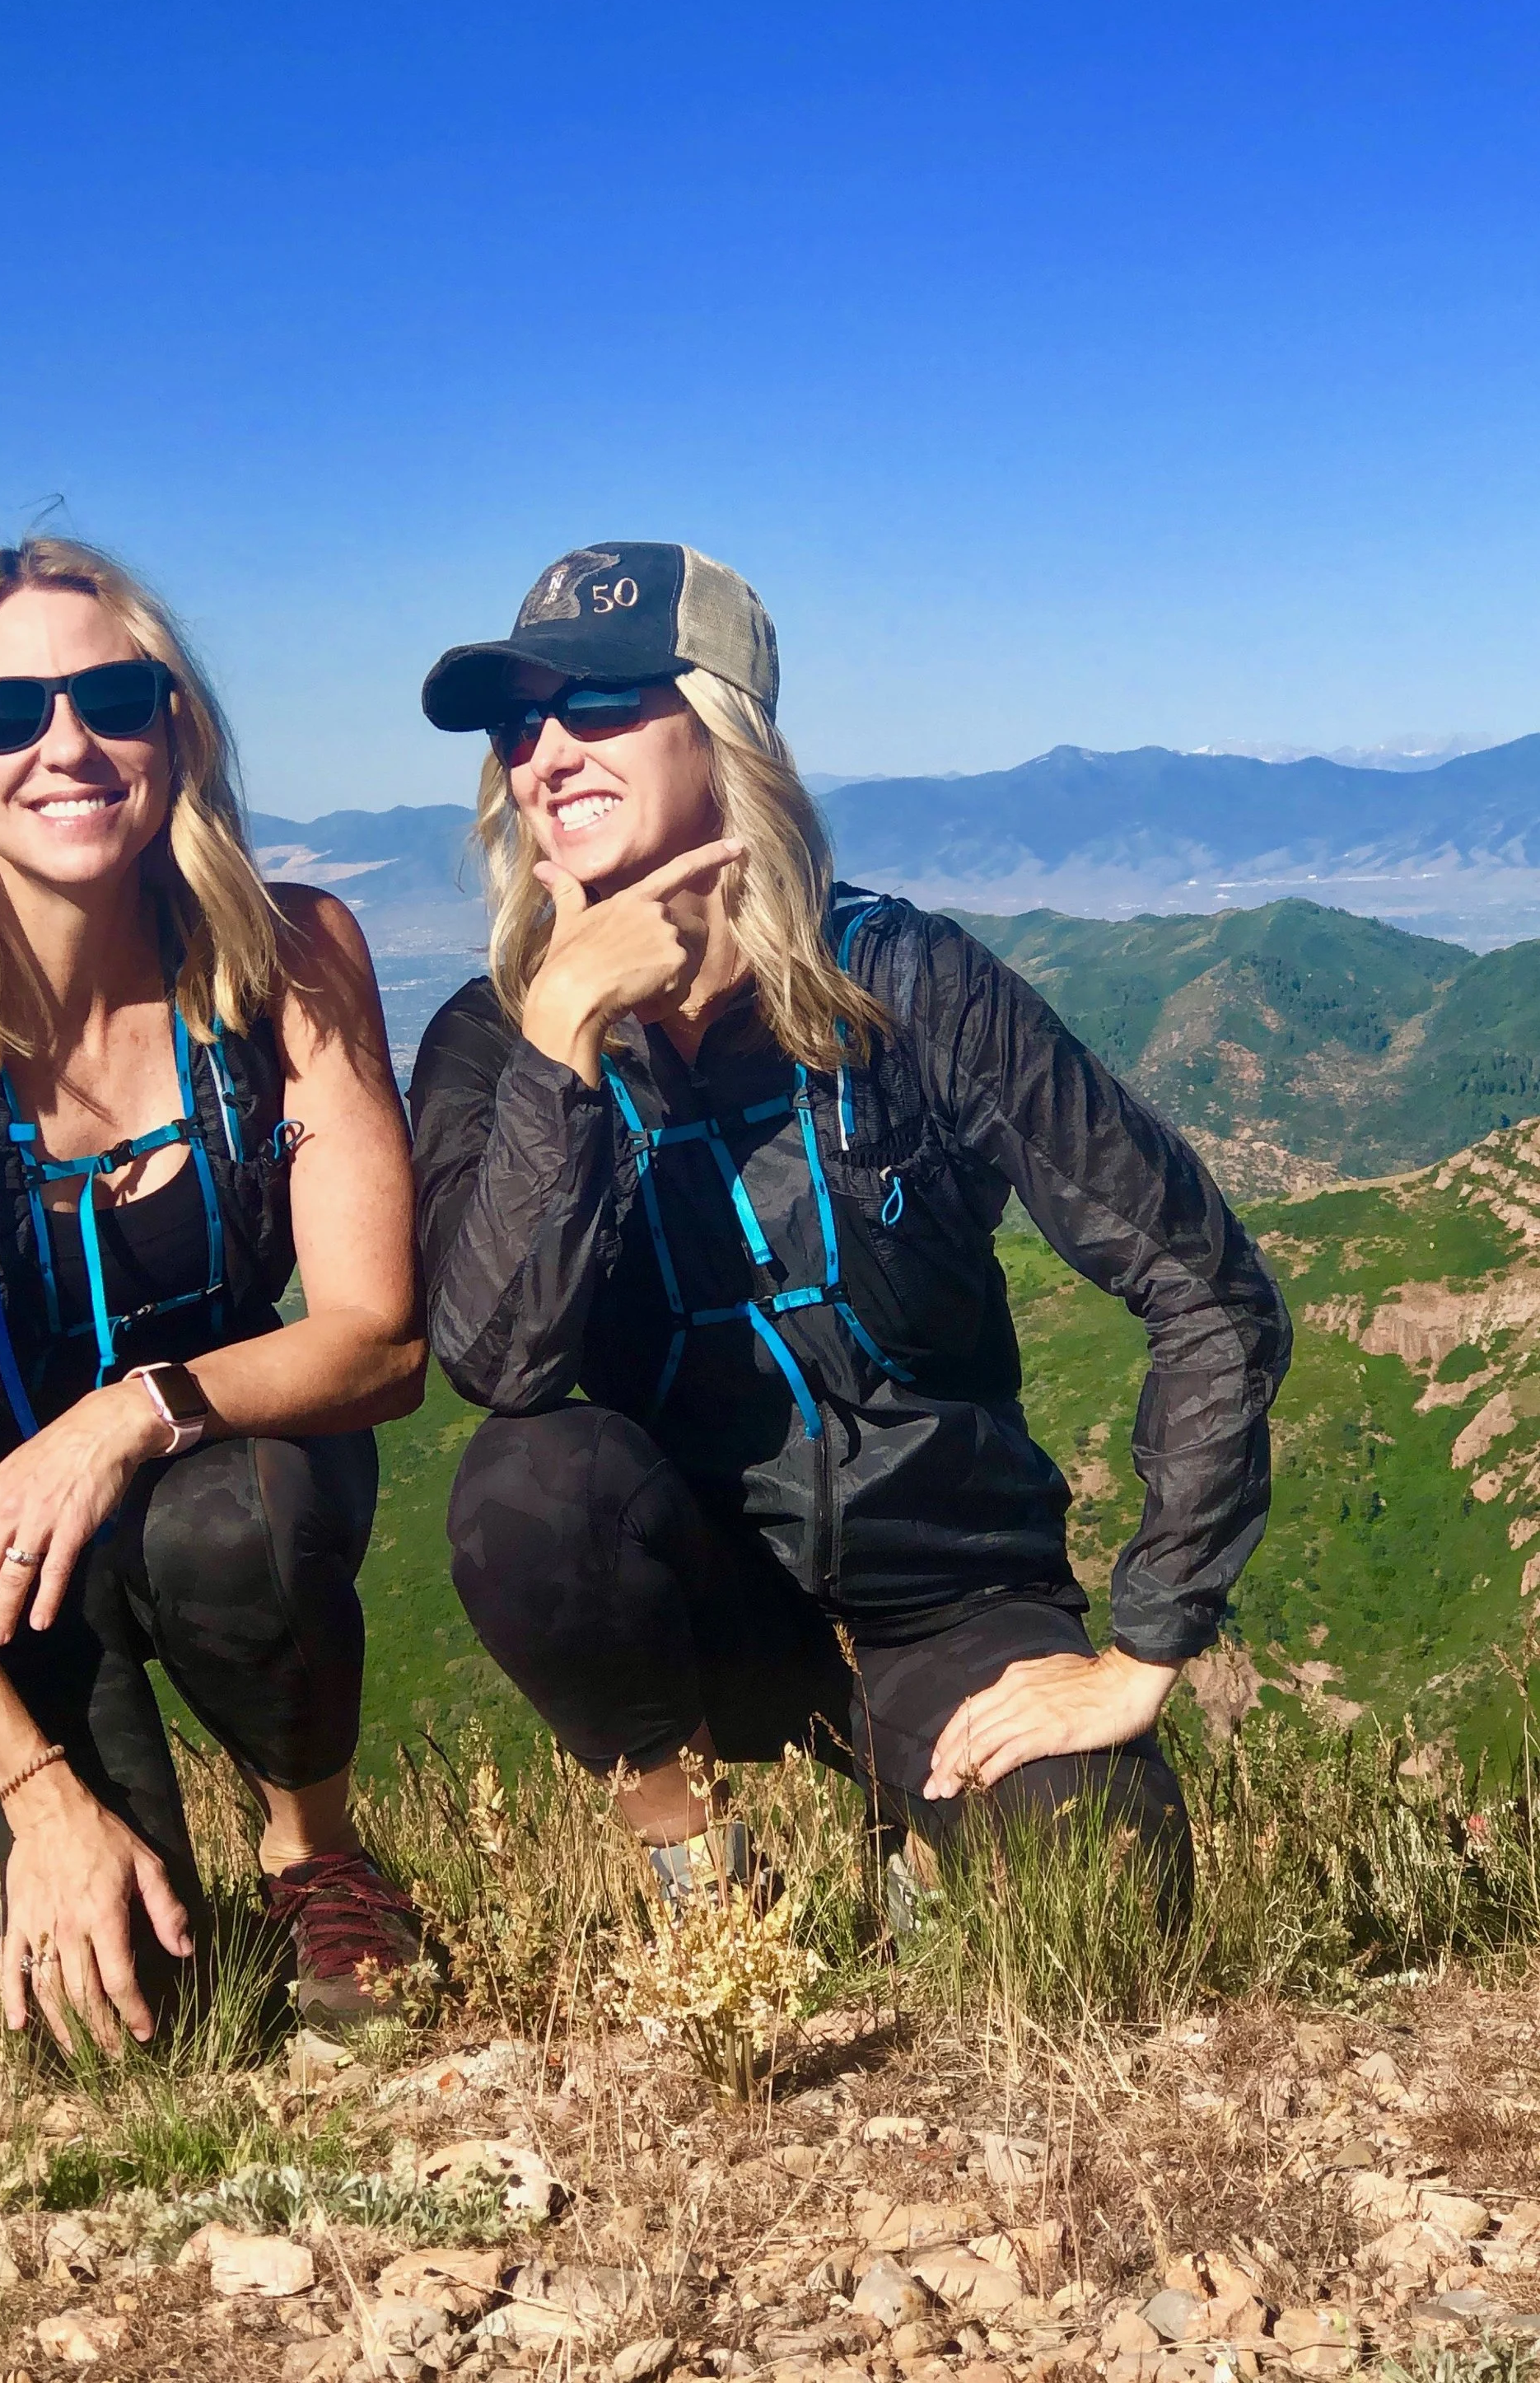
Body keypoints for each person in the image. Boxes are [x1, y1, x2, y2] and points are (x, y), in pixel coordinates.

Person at [407, 541, 1291, 1913]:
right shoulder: (496, 1041)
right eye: (518, 726)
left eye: (596, 707)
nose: (546, 755)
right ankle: (696, 1859)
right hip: (702, 1598)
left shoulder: (912, 986)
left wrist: (1145, 1647)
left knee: (1104, 1899)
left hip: (951, 1598)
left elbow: (1209, 1288)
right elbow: (500, 1366)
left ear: (721, 726)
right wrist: (564, 1034)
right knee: (526, 1485)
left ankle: (906, 1817)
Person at [0, 537, 426, 2049]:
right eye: (6, 715)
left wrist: (131, 1416)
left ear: (175, 730)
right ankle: (83, 1806)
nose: (65, 744)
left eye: (112, 696)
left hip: (212, 1460)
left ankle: (312, 1849)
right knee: (132, 2034)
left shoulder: (290, 958)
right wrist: (39, 1796)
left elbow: (379, 1338)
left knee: (239, 1523)